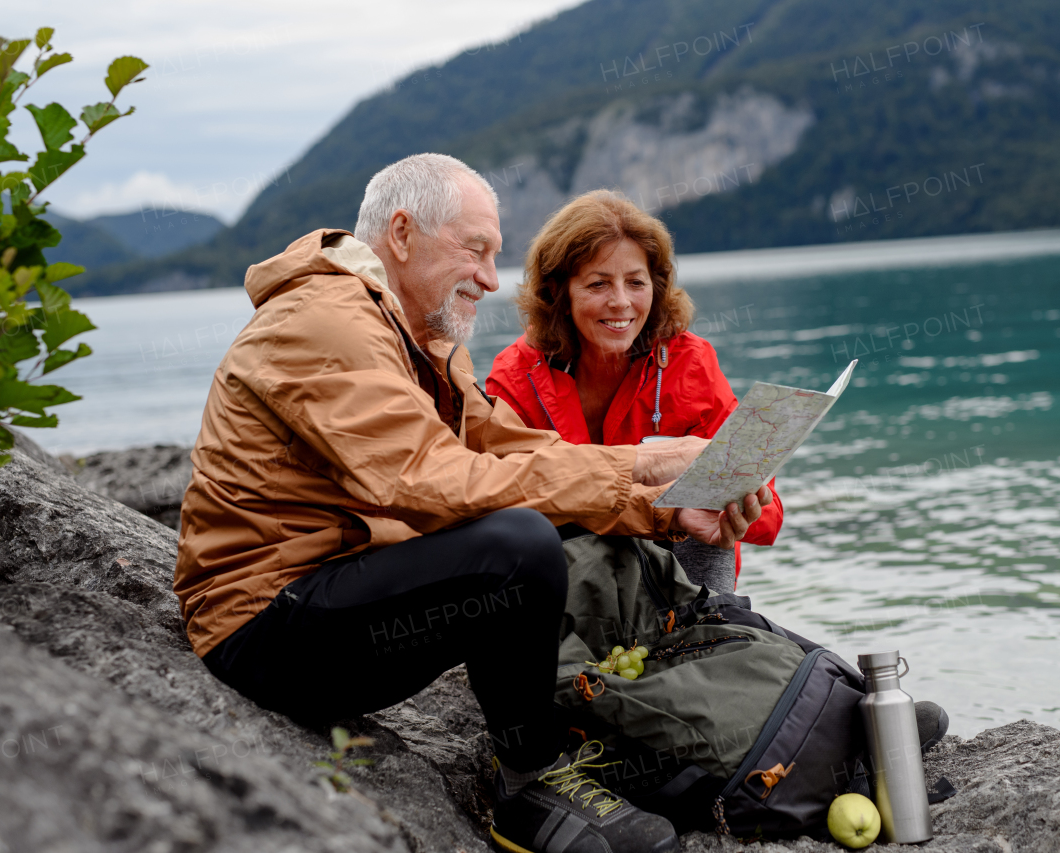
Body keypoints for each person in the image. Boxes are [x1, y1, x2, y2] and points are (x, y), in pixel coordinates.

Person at [173, 154, 771, 853]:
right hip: (261, 628)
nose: (491, 277)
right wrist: (637, 468)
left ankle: (563, 753)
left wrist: (662, 495)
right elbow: (428, 478)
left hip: (334, 596)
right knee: (514, 546)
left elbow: (517, 450)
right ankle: (528, 784)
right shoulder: (326, 322)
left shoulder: (419, 335)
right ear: (402, 233)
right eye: (476, 250)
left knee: (525, 534)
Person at [486, 191, 784, 594]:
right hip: (567, 578)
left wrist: (741, 501)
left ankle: (701, 637)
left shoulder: (690, 362)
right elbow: (503, 505)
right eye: (598, 283)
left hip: (676, 579)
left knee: (706, 537)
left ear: (656, 287)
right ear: (558, 292)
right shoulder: (515, 375)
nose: (621, 302)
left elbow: (768, 518)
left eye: (635, 282)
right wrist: (658, 484)